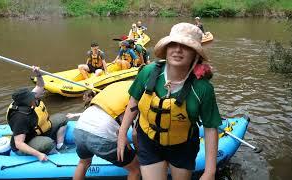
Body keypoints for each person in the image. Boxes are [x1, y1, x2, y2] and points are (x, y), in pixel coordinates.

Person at [117, 23, 221, 180]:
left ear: (195, 54)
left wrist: (210, 171)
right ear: (166, 48)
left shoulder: (203, 89)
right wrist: (122, 133)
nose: (178, 50)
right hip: (149, 141)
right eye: (173, 44)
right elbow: (133, 101)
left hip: (183, 146)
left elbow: (210, 127)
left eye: (185, 46)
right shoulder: (148, 72)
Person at [73, 81, 140, 180]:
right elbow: (135, 133)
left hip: (80, 126)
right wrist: (138, 153)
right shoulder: (138, 93)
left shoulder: (116, 85)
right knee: (136, 169)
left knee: (83, 162)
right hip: (101, 133)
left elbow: (119, 130)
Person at [6, 66, 68, 161]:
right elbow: (19, 143)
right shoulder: (20, 118)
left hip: (37, 132)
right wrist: (38, 154)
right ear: (25, 102)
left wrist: (38, 74)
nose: (35, 98)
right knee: (48, 143)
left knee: (62, 118)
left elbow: (40, 86)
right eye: (31, 98)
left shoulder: (26, 101)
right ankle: (57, 156)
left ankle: (60, 145)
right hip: (27, 142)